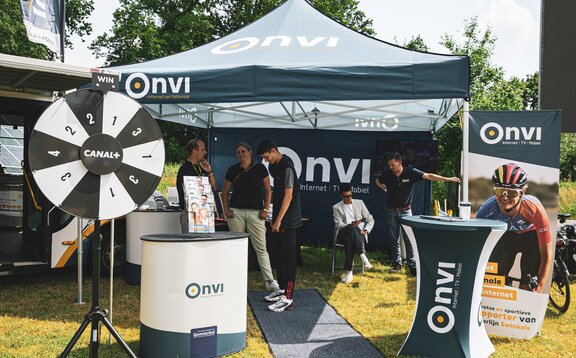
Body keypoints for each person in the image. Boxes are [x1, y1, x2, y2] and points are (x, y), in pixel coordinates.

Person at [376, 152, 460, 274]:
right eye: (389, 165)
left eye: (393, 165)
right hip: (391, 211)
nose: (391, 167)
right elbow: (378, 181)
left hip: (406, 211)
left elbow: (429, 176)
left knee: (409, 239)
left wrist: (447, 179)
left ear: (399, 163)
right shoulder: (388, 174)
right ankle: (396, 264)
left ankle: (412, 265)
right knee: (394, 239)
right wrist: (384, 188)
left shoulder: (410, 172)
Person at [476, 163, 553, 293]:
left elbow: (546, 255)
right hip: (506, 239)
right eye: (500, 191)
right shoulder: (486, 210)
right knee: (497, 283)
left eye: (511, 193)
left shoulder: (534, 210)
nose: (505, 197)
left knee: (527, 286)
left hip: (530, 239)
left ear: (521, 193)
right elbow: (478, 248)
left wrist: (538, 287)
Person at [221, 142, 278, 291]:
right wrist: (226, 210)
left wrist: (266, 209)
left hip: (256, 214)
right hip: (236, 213)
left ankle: (269, 280)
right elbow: (225, 191)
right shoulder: (233, 170)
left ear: (250, 152)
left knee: (261, 248)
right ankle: (235, 279)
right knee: (235, 247)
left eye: (243, 151)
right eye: (238, 152)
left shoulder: (260, 168)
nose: (241, 154)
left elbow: (268, 190)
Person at [257, 139, 302, 312]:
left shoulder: (288, 167)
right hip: (279, 219)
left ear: (273, 151)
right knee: (280, 257)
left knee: (289, 261)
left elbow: (288, 196)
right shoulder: (274, 167)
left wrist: (278, 221)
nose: (266, 160)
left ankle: (288, 297)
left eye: (266, 156)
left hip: (289, 221)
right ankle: (282, 290)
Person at [333, 183, 374, 283]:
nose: (348, 198)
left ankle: (348, 272)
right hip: (343, 233)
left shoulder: (359, 203)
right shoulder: (336, 207)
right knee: (351, 228)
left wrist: (365, 230)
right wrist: (351, 225)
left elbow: (370, 220)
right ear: (341, 196)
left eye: (350, 196)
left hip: (359, 235)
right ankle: (362, 255)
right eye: (345, 197)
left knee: (349, 240)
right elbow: (339, 224)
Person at [176, 139, 217, 233]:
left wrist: (209, 172)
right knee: (190, 244)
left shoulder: (202, 168)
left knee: (204, 244)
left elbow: (214, 188)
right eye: (202, 150)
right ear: (194, 151)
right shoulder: (184, 169)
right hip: (190, 213)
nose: (205, 152)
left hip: (204, 213)